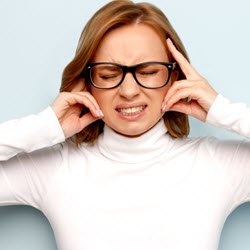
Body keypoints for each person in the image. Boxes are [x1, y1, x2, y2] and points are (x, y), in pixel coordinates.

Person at [0, 1, 250, 250]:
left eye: (149, 72)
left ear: (174, 76)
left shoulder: (217, 166)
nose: (129, 91)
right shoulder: (55, 169)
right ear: (88, 83)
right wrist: (46, 126)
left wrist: (222, 111)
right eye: (108, 75)